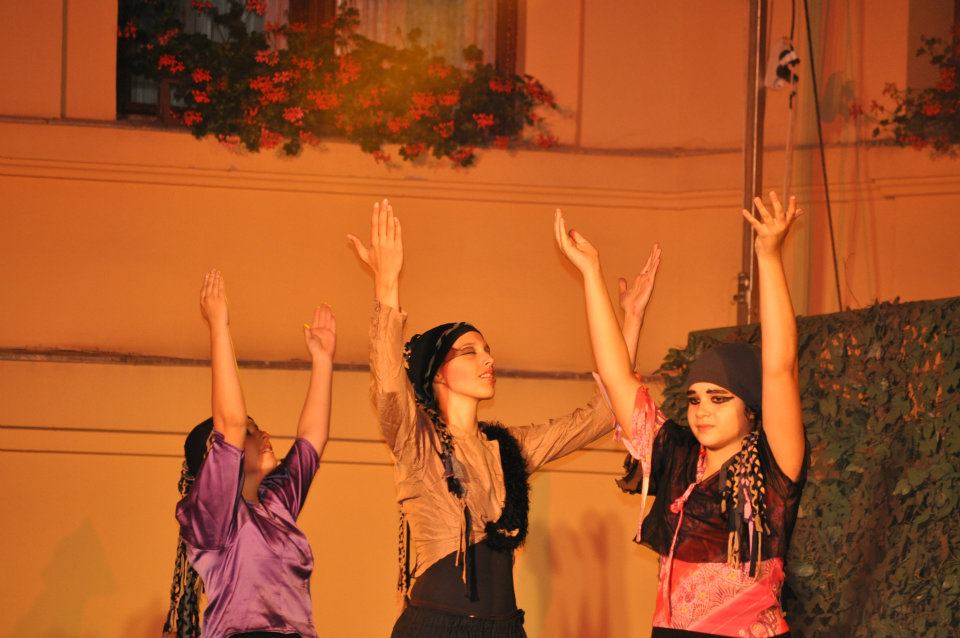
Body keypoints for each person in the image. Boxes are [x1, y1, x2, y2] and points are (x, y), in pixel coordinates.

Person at [347, 199, 661, 638]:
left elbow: (604, 413)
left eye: (488, 350)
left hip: (504, 629)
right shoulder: (415, 439)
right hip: (435, 628)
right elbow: (387, 385)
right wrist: (386, 282)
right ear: (437, 373)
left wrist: (632, 319)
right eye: (470, 351)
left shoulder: (508, 448)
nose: (488, 359)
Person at [555, 192, 807, 637]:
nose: (702, 411)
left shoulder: (773, 465)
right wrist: (591, 272)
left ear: (751, 409)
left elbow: (780, 367)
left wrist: (769, 256)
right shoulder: (677, 455)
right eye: (694, 399)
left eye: (719, 399)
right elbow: (617, 378)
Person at [162, 270, 335, 638]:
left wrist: (323, 361)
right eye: (253, 433)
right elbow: (232, 423)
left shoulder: (275, 505)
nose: (264, 435)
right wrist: (219, 326)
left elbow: (312, 439)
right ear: (217, 460)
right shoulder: (211, 515)